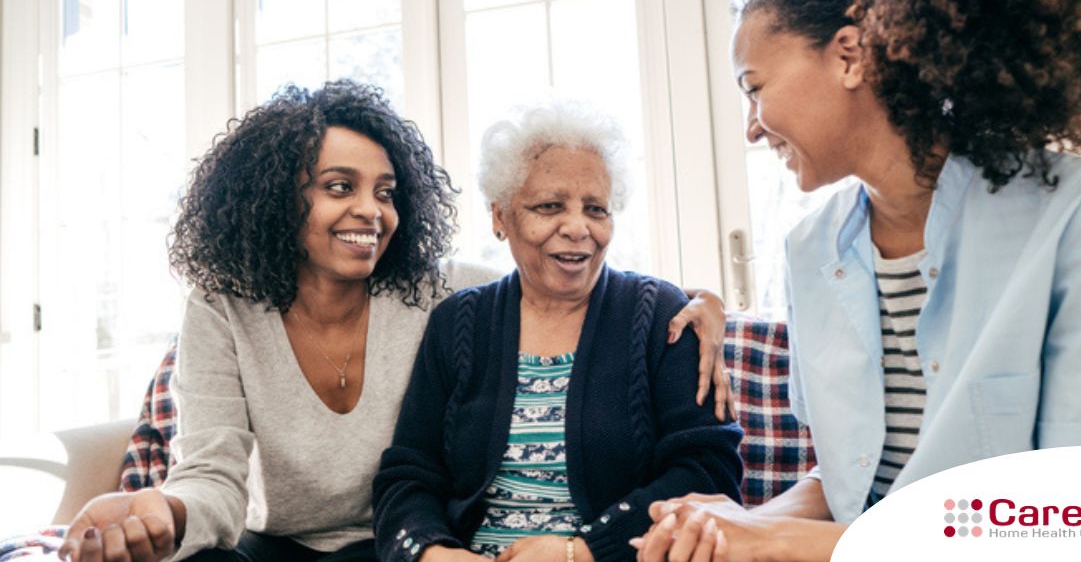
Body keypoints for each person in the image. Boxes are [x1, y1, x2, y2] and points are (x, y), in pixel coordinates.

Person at [635, 0, 1081, 560]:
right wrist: (736, 524)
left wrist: (792, 543)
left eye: (755, 86)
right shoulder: (808, 249)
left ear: (849, 56)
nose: (750, 127)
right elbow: (853, 477)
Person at [56, 81, 729, 562]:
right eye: (338, 187)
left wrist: (704, 303)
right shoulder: (226, 308)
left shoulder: (436, 294)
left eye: (385, 192)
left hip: (381, 545)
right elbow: (214, 479)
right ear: (274, 200)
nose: (371, 212)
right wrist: (163, 511)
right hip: (282, 543)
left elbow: (564, 287)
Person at [371, 101, 744, 562]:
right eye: (549, 207)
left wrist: (583, 551)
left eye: (596, 209)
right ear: (499, 217)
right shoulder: (458, 322)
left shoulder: (661, 317)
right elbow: (409, 474)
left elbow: (708, 472)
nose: (577, 228)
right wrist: (431, 552)